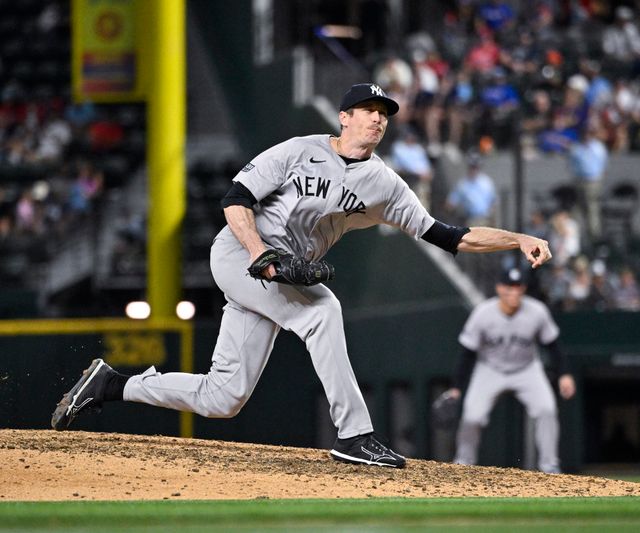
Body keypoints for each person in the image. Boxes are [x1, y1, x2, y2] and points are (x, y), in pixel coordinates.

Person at [50, 83, 553, 469]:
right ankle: (354, 435)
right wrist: (261, 255)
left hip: (279, 275)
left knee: (223, 397)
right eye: (369, 112)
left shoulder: (385, 184)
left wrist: (516, 238)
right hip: (238, 255)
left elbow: (449, 235)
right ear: (345, 117)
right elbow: (236, 200)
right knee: (322, 309)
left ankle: (113, 385)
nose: (378, 121)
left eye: (384, 115)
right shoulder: (298, 149)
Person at [444, 267, 574, 473]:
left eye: (517, 286)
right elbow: (467, 353)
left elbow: (554, 347)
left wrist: (564, 374)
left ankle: (550, 466)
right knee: (472, 416)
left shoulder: (537, 311)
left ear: (523, 288)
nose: (513, 291)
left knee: (546, 409)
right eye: (508, 287)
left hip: (527, 369)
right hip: (490, 369)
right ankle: (463, 463)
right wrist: (456, 388)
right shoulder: (483, 314)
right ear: (499, 288)